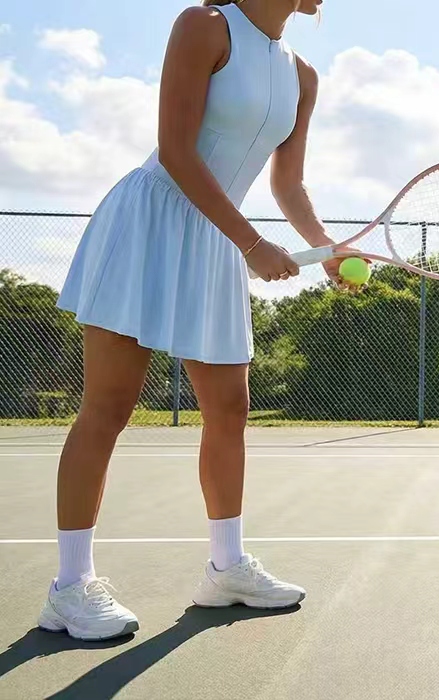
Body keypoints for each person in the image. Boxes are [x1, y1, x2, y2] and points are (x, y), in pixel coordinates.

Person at [40, 0, 344, 641]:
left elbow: (289, 183)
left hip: (216, 240)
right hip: (151, 219)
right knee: (110, 405)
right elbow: (176, 151)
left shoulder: (303, 75)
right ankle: (70, 588)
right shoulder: (204, 25)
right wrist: (253, 244)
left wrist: (327, 247)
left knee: (230, 408)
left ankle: (227, 569)